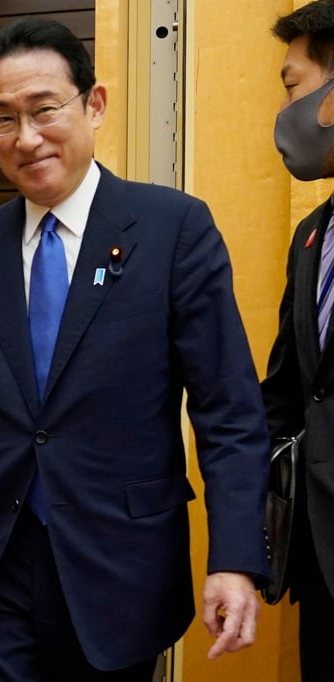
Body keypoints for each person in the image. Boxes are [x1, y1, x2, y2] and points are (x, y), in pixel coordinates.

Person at [0, 17, 271, 681]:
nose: (26, 137)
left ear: (93, 105)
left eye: (44, 110)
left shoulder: (172, 229)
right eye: (2, 118)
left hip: (117, 566)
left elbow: (229, 412)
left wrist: (234, 558)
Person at [262, 3, 334, 680]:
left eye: (292, 86)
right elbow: (286, 392)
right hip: (321, 562)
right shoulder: (312, 236)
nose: (284, 112)